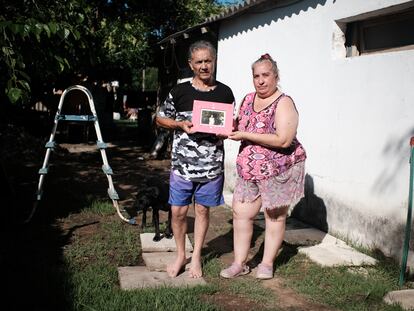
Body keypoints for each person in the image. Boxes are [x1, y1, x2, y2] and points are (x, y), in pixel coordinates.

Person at [220, 53, 306, 280]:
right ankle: (240, 263)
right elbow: (240, 123)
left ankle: (266, 263)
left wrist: (246, 135)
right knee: (241, 214)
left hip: (278, 169)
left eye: (265, 75)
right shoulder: (248, 98)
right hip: (249, 169)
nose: (260, 80)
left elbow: (284, 140)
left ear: (276, 76)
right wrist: (224, 125)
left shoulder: (284, 102)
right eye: (256, 76)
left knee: (274, 217)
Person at [156, 40, 235, 278]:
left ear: (214, 61)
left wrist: (228, 130)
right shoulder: (178, 91)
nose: (204, 66)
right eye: (199, 61)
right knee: (178, 212)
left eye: (207, 61)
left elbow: (230, 125)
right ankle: (181, 254)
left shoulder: (225, 92)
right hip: (182, 166)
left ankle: (197, 257)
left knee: (202, 211)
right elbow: (160, 118)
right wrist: (179, 124)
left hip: (211, 168)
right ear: (191, 64)